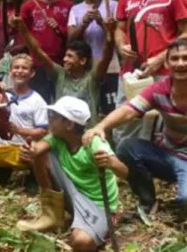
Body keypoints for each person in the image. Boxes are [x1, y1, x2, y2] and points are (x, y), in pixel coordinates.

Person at [83, 39, 187, 217]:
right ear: (167, 63)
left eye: (186, 58)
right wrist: (101, 126)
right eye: (174, 59)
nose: (180, 63)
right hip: (166, 155)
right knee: (127, 147)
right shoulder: (159, 89)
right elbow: (129, 110)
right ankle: (147, 202)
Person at [17, 96, 128, 252]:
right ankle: (52, 214)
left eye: (55, 117)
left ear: (69, 124)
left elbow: (124, 172)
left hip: (96, 204)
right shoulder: (57, 138)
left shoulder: (94, 143)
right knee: (41, 155)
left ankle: (101, 224)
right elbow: (38, 149)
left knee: (81, 242)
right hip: (72, 192)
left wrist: (110, 163)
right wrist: (30, 151)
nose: (50, 120)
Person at [113, 0, 187, 146]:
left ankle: (164, 173)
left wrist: (161, 58)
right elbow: (119, 28)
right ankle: (125, 170)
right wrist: (122, 45)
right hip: (132, 71)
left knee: (163, 123)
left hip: (164, 71)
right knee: (126, 119)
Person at [12, 14, 115, 127]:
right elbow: (38, 52)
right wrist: (23, 29)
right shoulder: (59, 74)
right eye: (65, 56)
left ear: (82, 60)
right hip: (61, 135)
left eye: (70, 56)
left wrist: (110, 35)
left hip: (87, 135)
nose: (65, 59)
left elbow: (106, 58)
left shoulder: (92, 78)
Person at [68, 0, 121, 115]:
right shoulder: (76, 9)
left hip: (110, 65)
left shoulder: (113, 6)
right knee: (86, 108)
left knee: (109, 108)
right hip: (84, 66)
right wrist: (83, 24)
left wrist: (101, 22)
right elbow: (70, 40)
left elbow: (117, 36)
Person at [20, 0, 73, 103]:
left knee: (62, 105)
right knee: (39, 104)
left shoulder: (68, 6)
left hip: (62, 64)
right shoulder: (28, 6)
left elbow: (73, 35)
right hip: (37, 65)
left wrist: (60, 29)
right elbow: (22, 34)